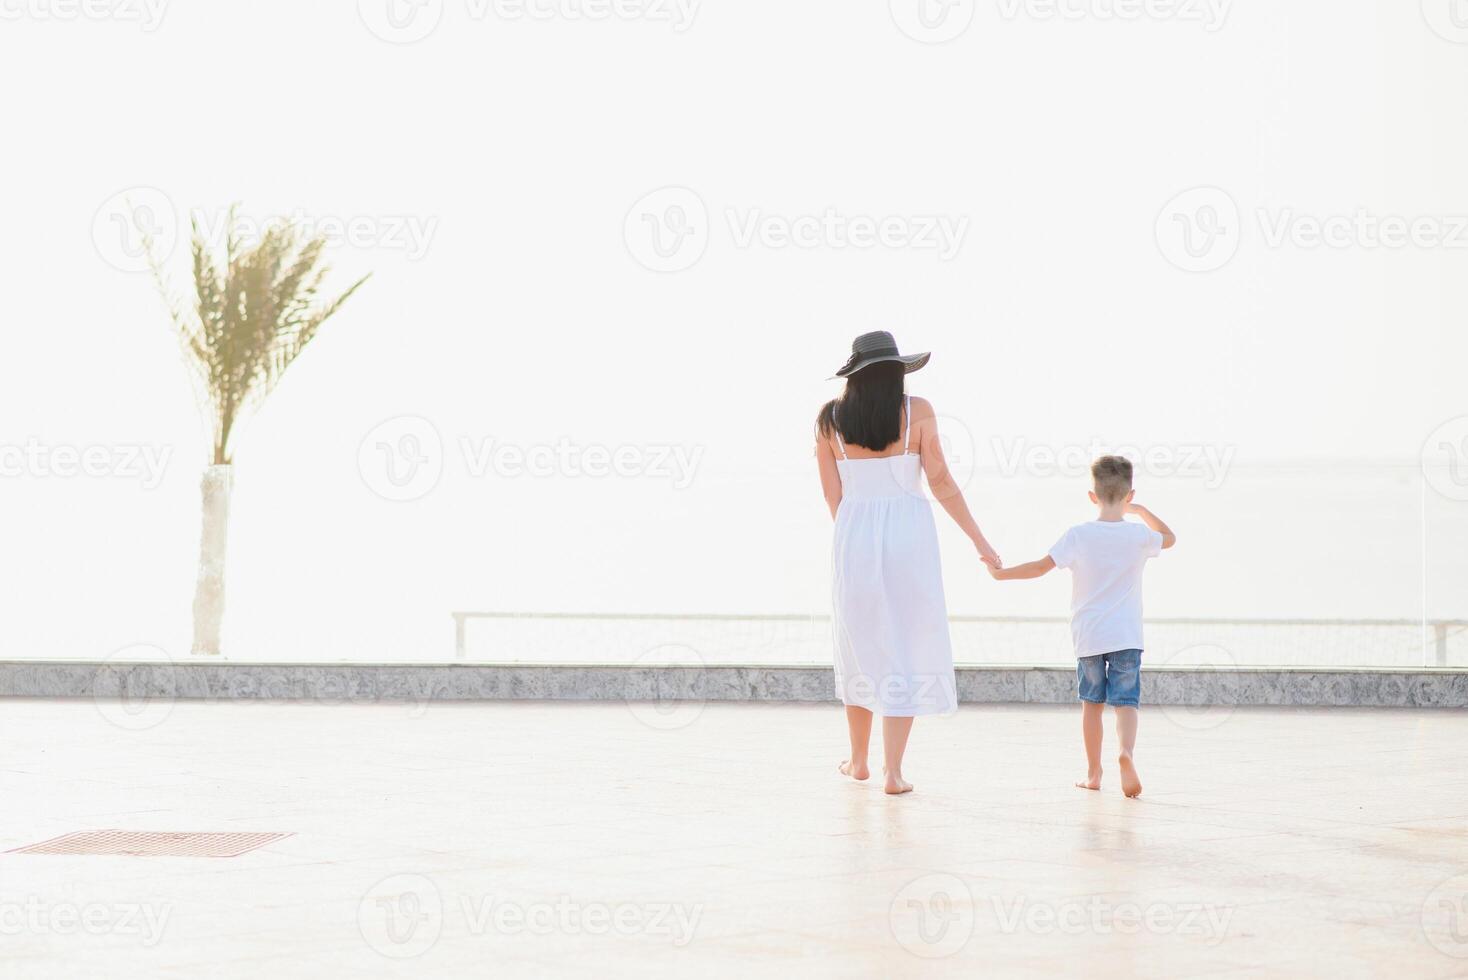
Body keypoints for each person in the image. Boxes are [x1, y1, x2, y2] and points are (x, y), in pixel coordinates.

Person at [815, 331, 1002, 795]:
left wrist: (857, 539)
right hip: (909, 537)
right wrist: (980, 540)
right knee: (904, 645)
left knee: (859, 645)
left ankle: (858, 761)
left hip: (853, 535)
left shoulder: (828, 420)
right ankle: (893, 773)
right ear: (897, 371)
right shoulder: (916, 411)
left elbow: (832, 496)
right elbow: (940, 481)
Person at [986, 455, 1175, 798]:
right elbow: (1169, 537)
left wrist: (1002, 574)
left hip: (1089, 635)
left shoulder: (1078, 535)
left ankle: (1093, 774)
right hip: (1127, 635)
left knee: (1092, 703)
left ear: (1092, 495)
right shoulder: (1138, 535)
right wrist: (1141, 510)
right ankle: (1126, 754)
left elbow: (1040, 568)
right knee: (1126, 701)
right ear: (1129, 493)